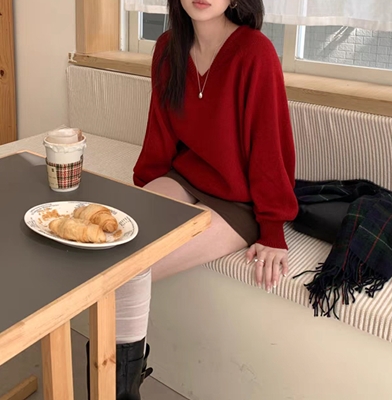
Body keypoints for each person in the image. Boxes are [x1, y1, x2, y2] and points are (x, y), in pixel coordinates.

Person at [92, 0, 298, 399]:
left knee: (127, 273)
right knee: (110, 247)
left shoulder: (254, 52)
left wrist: (272, 228)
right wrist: (143, 197)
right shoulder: (168, 48)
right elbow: (160, 133)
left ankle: (118, 392)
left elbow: (269, 146)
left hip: (239, 202)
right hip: (185, 177)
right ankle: (105, 385)